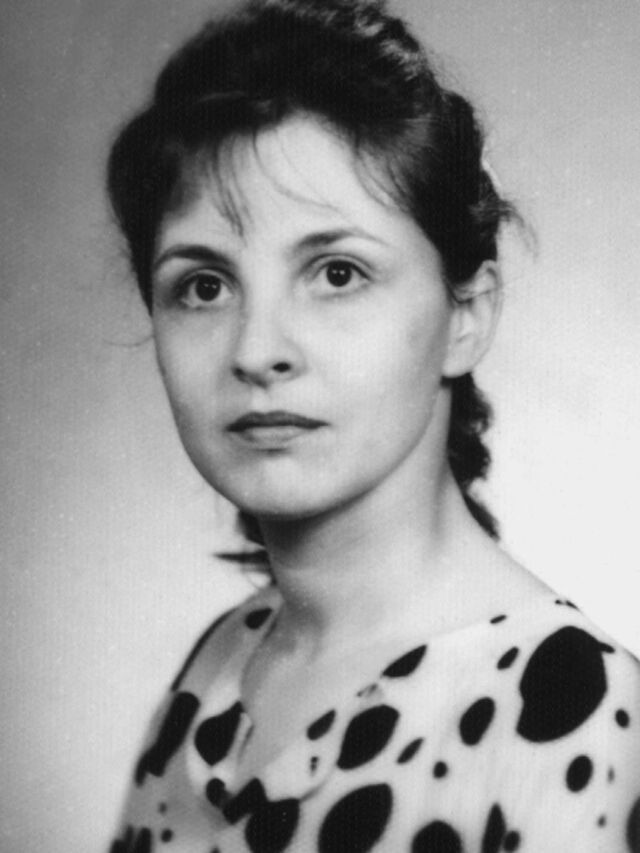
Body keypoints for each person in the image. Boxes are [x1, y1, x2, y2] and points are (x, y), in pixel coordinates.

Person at [106, 0, 640, 850]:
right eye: (204, 286)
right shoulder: (218, 669)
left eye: (337, 273)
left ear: (466, 314)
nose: (257, 349)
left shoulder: (577, 711)